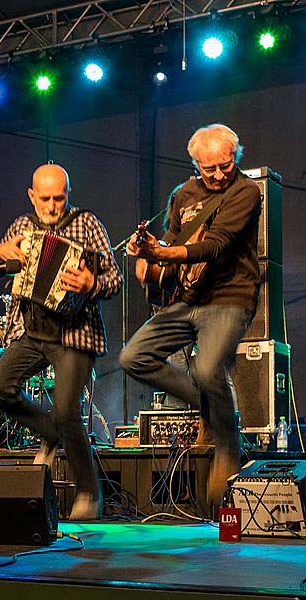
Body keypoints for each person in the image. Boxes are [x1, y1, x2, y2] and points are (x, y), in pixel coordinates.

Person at [121, 124, 261, 509]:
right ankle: (209, 409)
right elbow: (174, 241)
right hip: (188, 299)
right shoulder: (182, 195)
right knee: (133, 357)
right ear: (195, 164)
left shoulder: (246, 191)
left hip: (231, 296)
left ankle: (227, 444)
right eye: (209, 168)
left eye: (225, 165)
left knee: (207, 366)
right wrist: (148, 248)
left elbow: (216, 247)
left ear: (237, 158)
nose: (218, 175)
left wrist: (162, 254)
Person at [0, 163, 122, 520]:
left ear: (68, 194)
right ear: (31, 196)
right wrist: (1, 254)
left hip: (76, 333)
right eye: (44, 198)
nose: (51, 205)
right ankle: (50, 432)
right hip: (31, 330)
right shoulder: (21, 227)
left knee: (66, 409)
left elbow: (114, 280)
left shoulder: (87, 224)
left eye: (58, 198)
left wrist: (91, 284)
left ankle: (89, 492)